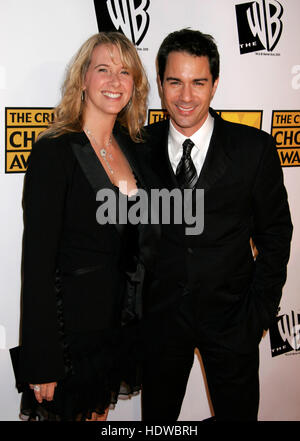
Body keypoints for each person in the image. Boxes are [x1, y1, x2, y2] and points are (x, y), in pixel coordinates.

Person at [137, 28, 293, 421]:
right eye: (175, 82)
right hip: (160, 324)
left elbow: (276, 235)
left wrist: (257, 313)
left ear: (215, 84)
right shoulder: (139, 146)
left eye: (198, 83)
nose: (186, 97)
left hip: (232, 323)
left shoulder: (253, 149)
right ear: (160, 82)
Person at [10, 31, 149, 421]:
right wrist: (42, 359)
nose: (114, 81)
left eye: (125, 72)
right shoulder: (55, 151)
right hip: (67, 335)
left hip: (113, 329)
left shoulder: (132, 148)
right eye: (103, 69)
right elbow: (37, 263)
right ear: (83, 78)